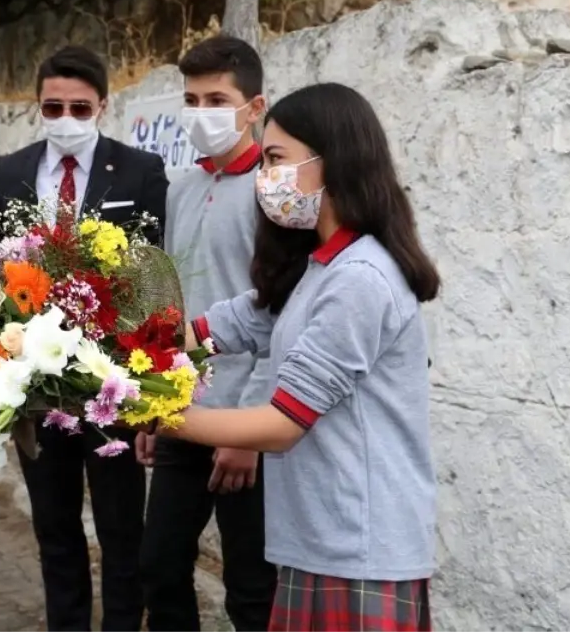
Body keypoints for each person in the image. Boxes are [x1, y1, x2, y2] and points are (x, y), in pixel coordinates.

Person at [164, 83, 441, 632]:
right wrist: (137, 343)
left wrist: (155, 415)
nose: (265, 179)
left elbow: (283, 423)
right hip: (319, 540)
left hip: (358, 548)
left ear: (333, 162)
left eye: (275, 159)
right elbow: (241, 321)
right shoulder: (320, 266)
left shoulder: (360, 277)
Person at [0, 45, 168, 632]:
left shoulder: (139, 170)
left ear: (103, 106)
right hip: (35, 383)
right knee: (54, 527)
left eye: (79, 107)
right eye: (53, 106)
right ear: (39, 105)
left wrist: (146, 391)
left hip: (108, 382)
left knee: (120, 531)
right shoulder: (11, 170)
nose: (65, 118)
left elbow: (153, 276)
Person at [136, 36, 278, 631]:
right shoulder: (180, 187)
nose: (201, 113)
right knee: (160, 570)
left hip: (247, 422)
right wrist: (150, 404)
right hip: (180, 413)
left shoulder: (274, 193)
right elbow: (171, 302)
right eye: (191, 100)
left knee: (250, 588)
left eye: (216, 99)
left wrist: (249, 428)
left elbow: (279, 311)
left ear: (254, 108)